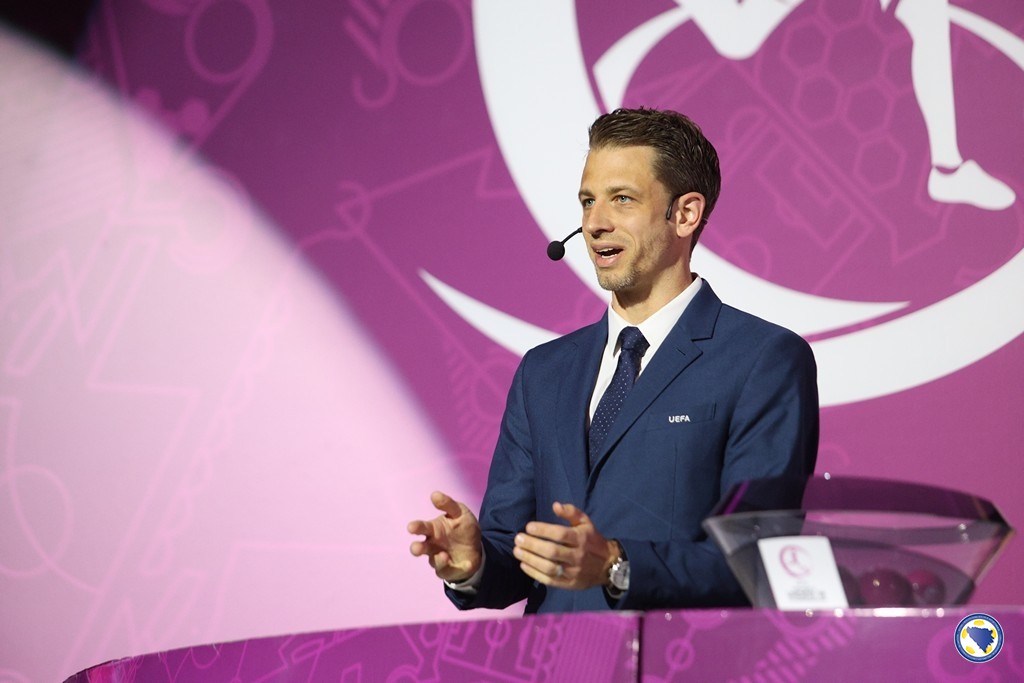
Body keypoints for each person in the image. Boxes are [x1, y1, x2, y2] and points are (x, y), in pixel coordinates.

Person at [408, 108, 819, 613]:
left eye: (622, 199)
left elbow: (756, 557)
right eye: (588, 201)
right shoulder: (543, 372)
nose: (595, 224)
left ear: (685, 214)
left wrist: (616, 566)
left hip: (678, 653)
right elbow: (513, 552)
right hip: (554, 654)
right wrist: (474, 565)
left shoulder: (763, 360)